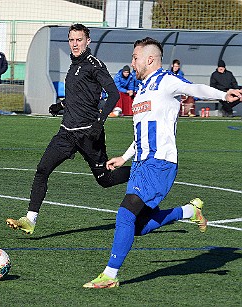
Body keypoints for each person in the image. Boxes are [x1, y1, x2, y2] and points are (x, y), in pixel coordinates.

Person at [83, 37, 242, 288]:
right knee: (137, 227)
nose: (132, 62)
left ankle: (109, 275)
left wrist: (224, 94)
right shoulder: (141, 91)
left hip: (159, 163)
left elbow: (195, 89)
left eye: (135, 57)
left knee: (124, 215)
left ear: (149, 59)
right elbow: (142, 134)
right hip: (140, 165)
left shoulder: (166, 81)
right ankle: (189, 211)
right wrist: (124, 157)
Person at [6, 23, 130, 234]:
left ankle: (140, 171)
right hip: (66, 133)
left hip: (89, 133)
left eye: (79, 40)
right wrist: (61, 105)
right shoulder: (73, 66)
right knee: (42, 169)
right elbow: (80, 97)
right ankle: (30, 219)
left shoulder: (94, 64)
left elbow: (114, 94)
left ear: (87, 41)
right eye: (71, 40)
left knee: (105, 180)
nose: (74, 44)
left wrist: (99, 123)